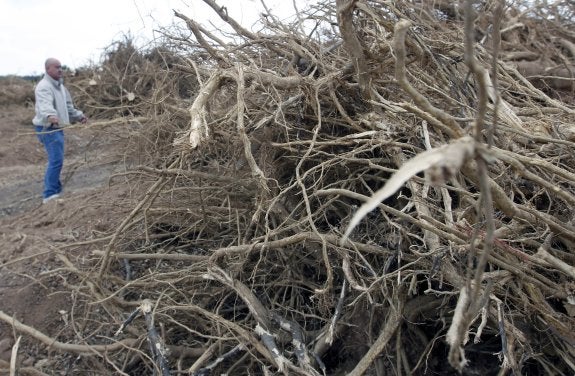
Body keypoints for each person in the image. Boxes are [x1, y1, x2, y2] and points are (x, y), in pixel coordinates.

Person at [33, 58, 87, 204]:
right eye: (57, 67)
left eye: (61, 67)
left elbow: (69, 107)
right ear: (48, 69)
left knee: (57, 160)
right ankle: (49, 195)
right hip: (47, 128)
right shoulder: (44, 86)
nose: (60, 70)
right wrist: (51, 115)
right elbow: (45, 106)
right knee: (56, 160)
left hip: (56, 127)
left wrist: (79, 115)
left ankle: (55, 191)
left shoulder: (61, 87)